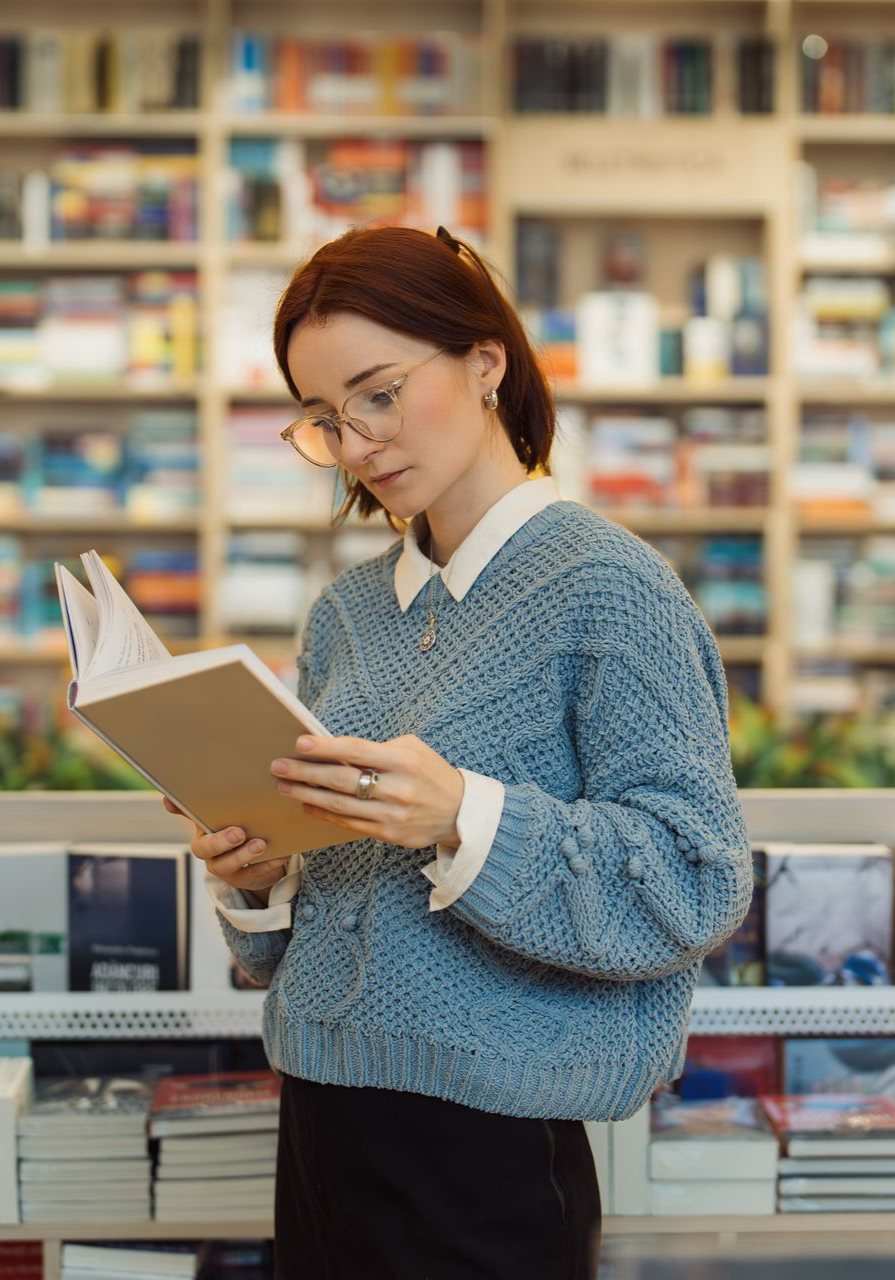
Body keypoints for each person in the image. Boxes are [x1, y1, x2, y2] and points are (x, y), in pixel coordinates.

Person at [163, 224, 754, 1280]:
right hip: (321, 1125)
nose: (357, 443)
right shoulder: (346, 613)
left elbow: (695, 879)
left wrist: (464, 815)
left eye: (380, 392)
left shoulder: (608, 589)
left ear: (486, 361)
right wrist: (259, 877)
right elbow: (305, 934)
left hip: (492, 1151)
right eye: (324, 419)